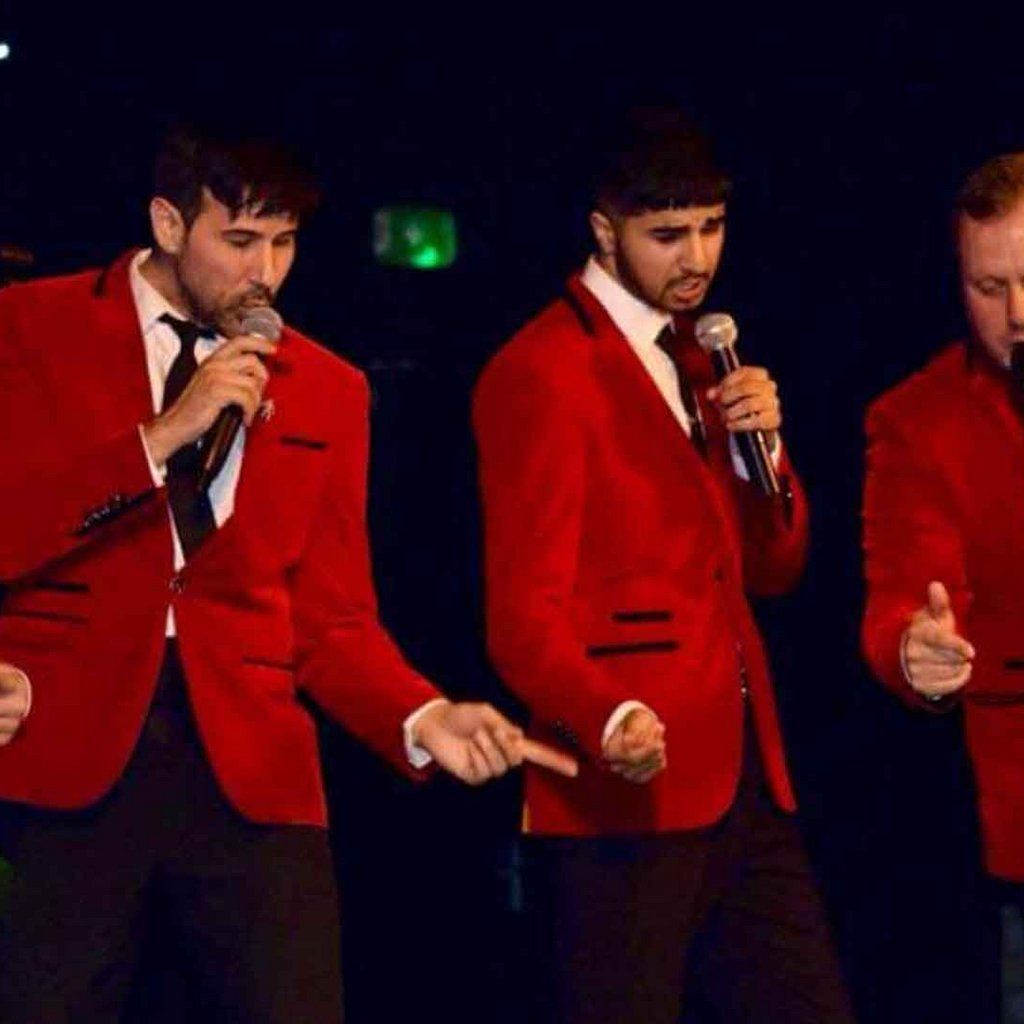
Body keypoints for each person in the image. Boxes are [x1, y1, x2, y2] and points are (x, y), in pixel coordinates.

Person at [0, 124, 573, 1023]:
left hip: (254, 764)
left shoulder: (329, 388)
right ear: (167, 222)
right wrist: (162, 437)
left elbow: (333, 619)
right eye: (238, 241)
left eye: (284, 242)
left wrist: (421, 715)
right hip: (66, 746)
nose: (263, 272)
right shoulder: (31, 327)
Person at [472, 107, 855, 1023]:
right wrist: (608, 716)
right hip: (622, 794)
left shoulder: (703, 357)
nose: (698, 257)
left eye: (712, 227)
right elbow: (521, 617)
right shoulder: (543, 370)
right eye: (668, 234)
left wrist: (766, 454)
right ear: (604, 231)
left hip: (744, 772)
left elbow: (772, 570)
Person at [862, 152, 1024, 974]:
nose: (1019, 314)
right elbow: (902, 591)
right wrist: (914, 650)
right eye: (989, 288)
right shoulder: (919, 421)